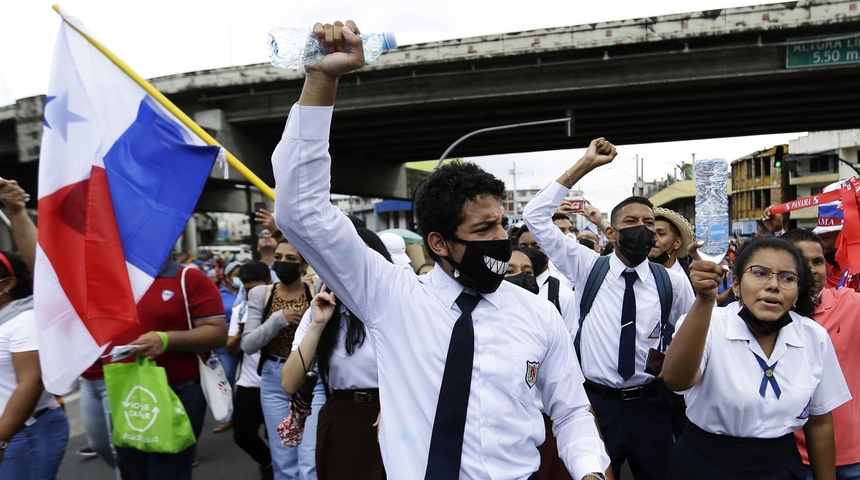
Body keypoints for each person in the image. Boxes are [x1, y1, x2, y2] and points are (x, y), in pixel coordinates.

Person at [272, 20, 610, 480]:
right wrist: (320, 81)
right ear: (438, 243)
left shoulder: (538, 315)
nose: (499, 239)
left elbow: (570, 411)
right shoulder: (391, 297)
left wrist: (589, 471)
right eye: (483, 228)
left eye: (503, 225)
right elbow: (301, 211)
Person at [523, 141, 694, 480]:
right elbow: (535, 216)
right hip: (597, 406)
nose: (641, 228)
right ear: (613, 233)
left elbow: (693, 334)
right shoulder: (588, 267)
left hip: (651, 405)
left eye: (649, 222)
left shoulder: (671, 282)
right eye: (631, 221)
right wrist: (585, 164)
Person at [662, 237, 850, 480]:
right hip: (705, 465)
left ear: (797, 292)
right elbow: (676, 380)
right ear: (737, 285)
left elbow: (819, 422)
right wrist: (705, 300)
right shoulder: (709, 323)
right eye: (760, 273)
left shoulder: (814, 337)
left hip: (780, 468)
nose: (773, 285)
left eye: (787, 278)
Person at [280, 226, 392, 480]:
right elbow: (289, 381)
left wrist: (395, 402)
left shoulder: (400, 304)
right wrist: (318, 325)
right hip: (343, 417)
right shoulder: (322, 310)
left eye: (365, 258)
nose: (355, 267)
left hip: (394, 415)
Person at [108, 258, 228, 479]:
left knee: (167, 473)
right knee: (133, 472)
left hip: (179, 392)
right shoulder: (109, 279)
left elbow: (217, 333)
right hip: (124, 394)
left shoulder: (189, 279)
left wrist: (165, 340)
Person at [241, 239, 324, 480]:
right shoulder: (261, 294)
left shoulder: (316, 289)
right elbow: (249, 344)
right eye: (278, 258)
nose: (282, 263)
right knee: (284, 459)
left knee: (310, 460)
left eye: (290, 259)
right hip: (274, 378)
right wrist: (279, 319)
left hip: (311, 379)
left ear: (304, 264)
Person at [782, 229, 860, 480]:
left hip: (851, 459)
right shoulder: (765, 316)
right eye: (802, 262)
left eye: (818, 261)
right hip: (788, 457)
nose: (813, 270)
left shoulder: (850, 304)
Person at [0, 250, 69, 479]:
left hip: (24, 433)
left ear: (8, 284)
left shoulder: (24, 320)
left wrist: (2, 439)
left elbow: (31, 382)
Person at [228, 261, 275, 480]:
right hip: (248, 384)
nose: (251, 295)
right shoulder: (240, 310)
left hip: (275, 383)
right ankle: (268, 463)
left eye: (257, 289)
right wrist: (239, 334)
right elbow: (230, 349)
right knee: (242, 435)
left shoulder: (281, 306)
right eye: (247, 290)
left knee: (278, 436)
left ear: (269, 283)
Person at [213, 260, 243, 434]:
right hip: (226, 345)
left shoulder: (248, 291)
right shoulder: (218, 294)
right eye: (235, 274)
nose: (238, 278)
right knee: (228, 380)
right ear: (226, 276)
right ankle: (227, 417)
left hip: (246, 343)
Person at [649, 207, 694, 282]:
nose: (654, 239)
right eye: (651, 234)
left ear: (677, 243)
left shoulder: (691, 274)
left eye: (661, 234)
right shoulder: (636, 272)